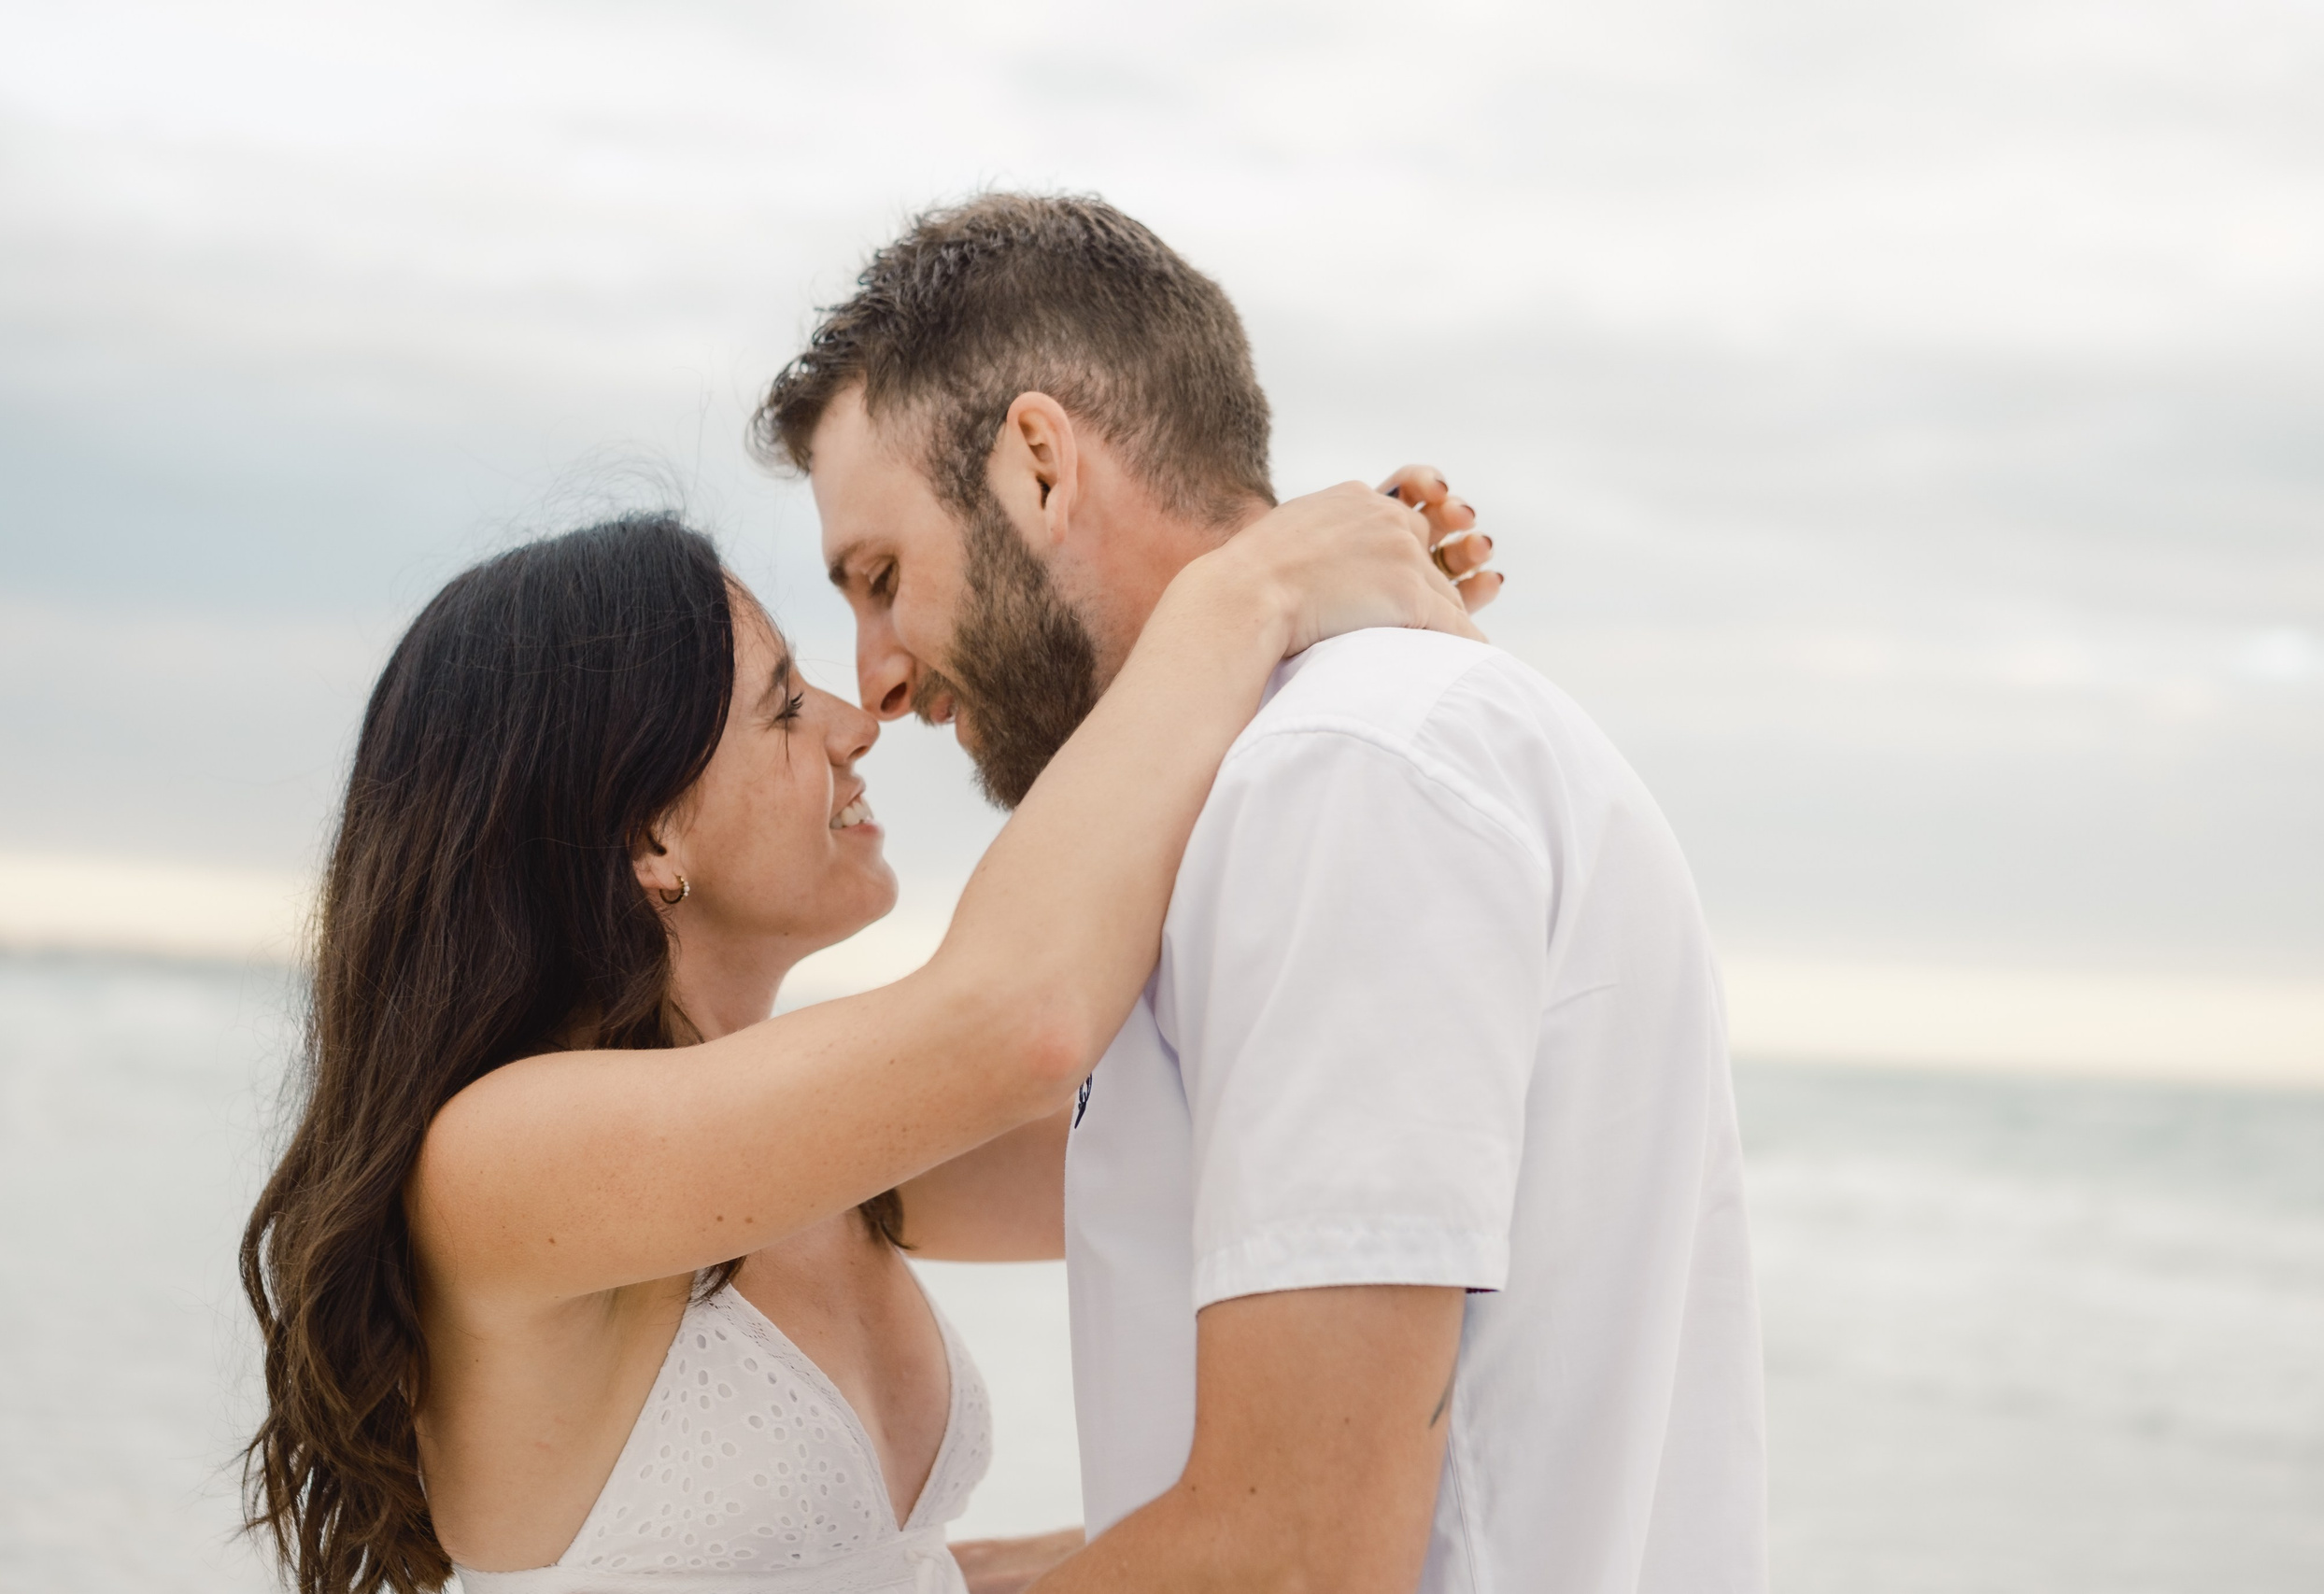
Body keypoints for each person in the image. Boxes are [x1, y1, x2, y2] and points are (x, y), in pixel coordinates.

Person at [755, 192, 1768, 1594]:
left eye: (881, 577)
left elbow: (1296, 1559)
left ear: (1041, 467)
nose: (875, 678)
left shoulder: (1338, 780)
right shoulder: (1308, 783)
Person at [238, 492, 1482, 1594]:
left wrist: (1337, 673)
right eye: (785, 707)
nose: (854, 723)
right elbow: (1023, 1017)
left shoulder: (833, 1163)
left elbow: (1247, 1127)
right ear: (651, 840)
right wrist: (1244, 593)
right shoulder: (504, 1159)